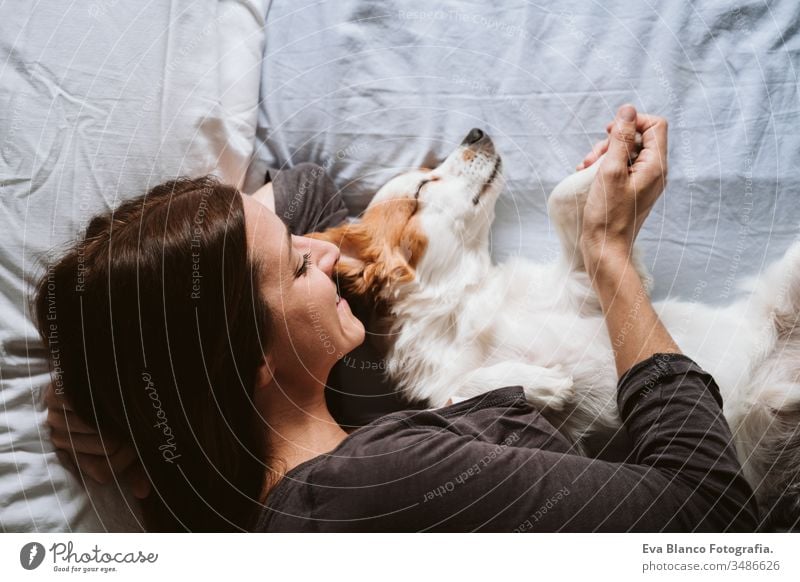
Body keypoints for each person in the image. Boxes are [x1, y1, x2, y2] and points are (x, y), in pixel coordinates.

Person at [38, 105, 759, 532]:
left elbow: (310, 194)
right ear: (258, 363)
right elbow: (711, 519)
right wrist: (609, 254)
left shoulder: (268, 475)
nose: (322, 252)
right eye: (295, 267)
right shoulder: (372, 483)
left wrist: (115, 392)